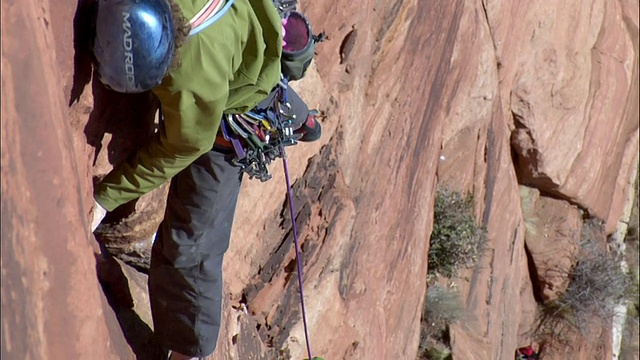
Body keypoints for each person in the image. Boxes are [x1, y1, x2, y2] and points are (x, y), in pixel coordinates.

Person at [89, 0, 321, 358]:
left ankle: (189, 350)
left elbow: (180, 148)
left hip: (229, 117)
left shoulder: (192, 82)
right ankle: (291, 106)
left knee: (191, 245)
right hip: (246, 27)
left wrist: (104, 199)